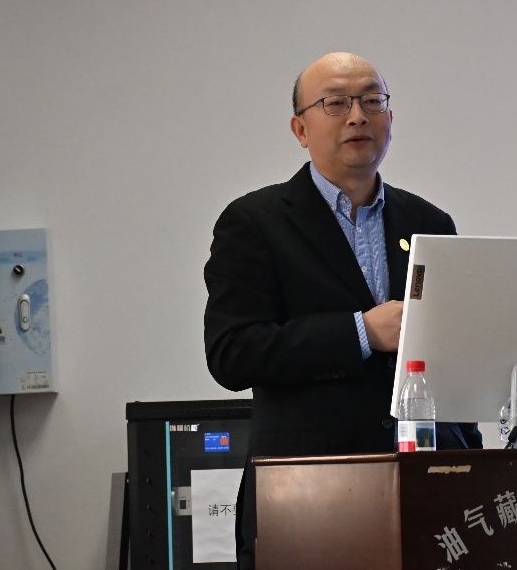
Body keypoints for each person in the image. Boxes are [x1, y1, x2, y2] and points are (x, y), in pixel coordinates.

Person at [204, 51, 481, 569]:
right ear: (300, 129)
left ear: (390, 118)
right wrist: (361, 332)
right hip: (308, 493)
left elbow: (453, 356)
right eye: (335, 103)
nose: (357, 116)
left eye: (372, 101)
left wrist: (472, 454)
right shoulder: (255, 222)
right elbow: (232, 352)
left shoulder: (430, 223)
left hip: (431, 490)